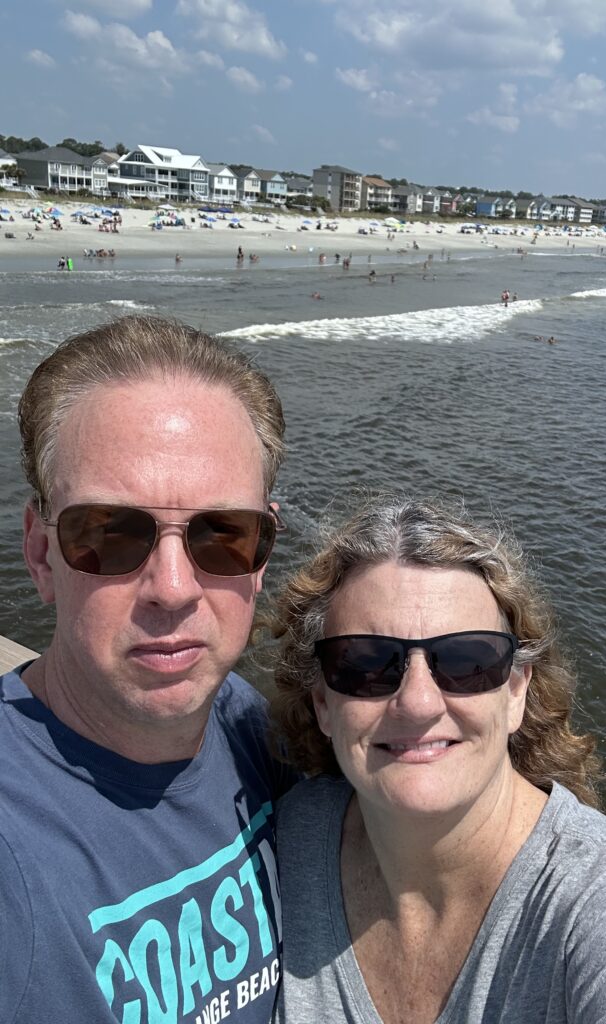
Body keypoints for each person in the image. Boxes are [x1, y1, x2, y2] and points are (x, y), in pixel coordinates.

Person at [268, 494, 606, 1023]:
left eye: (466, 659)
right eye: (364, 663)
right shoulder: (284, 839)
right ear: (322, 702)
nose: (418, 701)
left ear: (517, 691)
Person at [0, 315, 292, 1023]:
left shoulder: (251, 723)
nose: (172, 588)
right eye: (109, 533)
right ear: (41, 556)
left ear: (260, 561)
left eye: (222, 536)